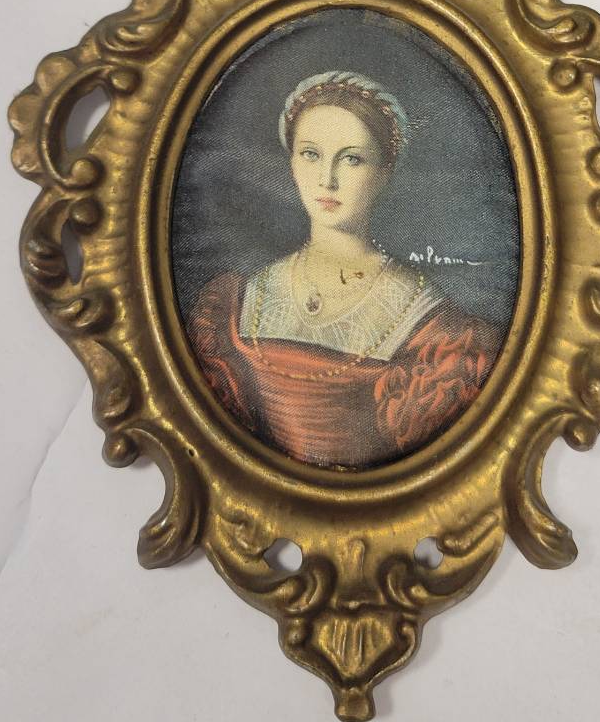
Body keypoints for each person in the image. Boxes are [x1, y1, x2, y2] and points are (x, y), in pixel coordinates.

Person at [187, 71, 503, 469]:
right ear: (291, 162)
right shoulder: (240, 300)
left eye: (352, 159)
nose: (327, 179)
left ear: (385, 172)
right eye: (310, 154)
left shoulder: (430, 322)